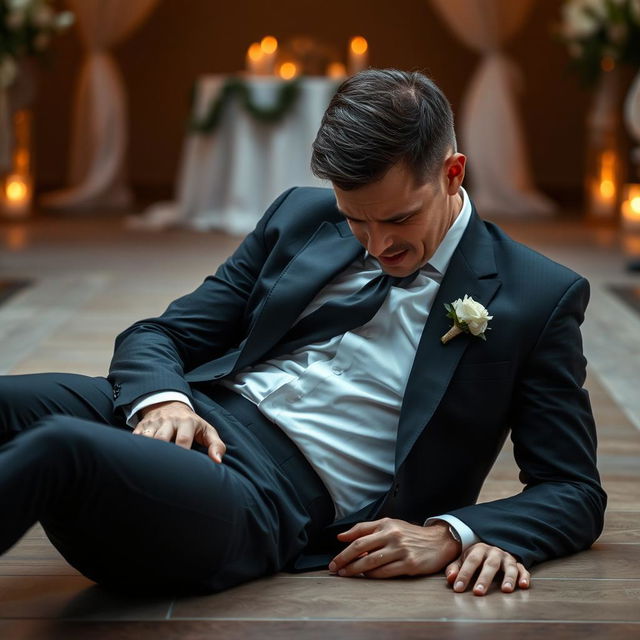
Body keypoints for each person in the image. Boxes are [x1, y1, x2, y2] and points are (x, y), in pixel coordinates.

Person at [0, 69, 606, 597]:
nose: (378, 245)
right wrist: (164, 399)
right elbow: (159, 335)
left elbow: (573, 488)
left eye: (399, 218)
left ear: (452, 173)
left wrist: (449, 535)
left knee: (60, 448)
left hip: (262, 495)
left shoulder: (537, 294)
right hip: (196, 415)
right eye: (355, 219)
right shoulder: (300, 216)